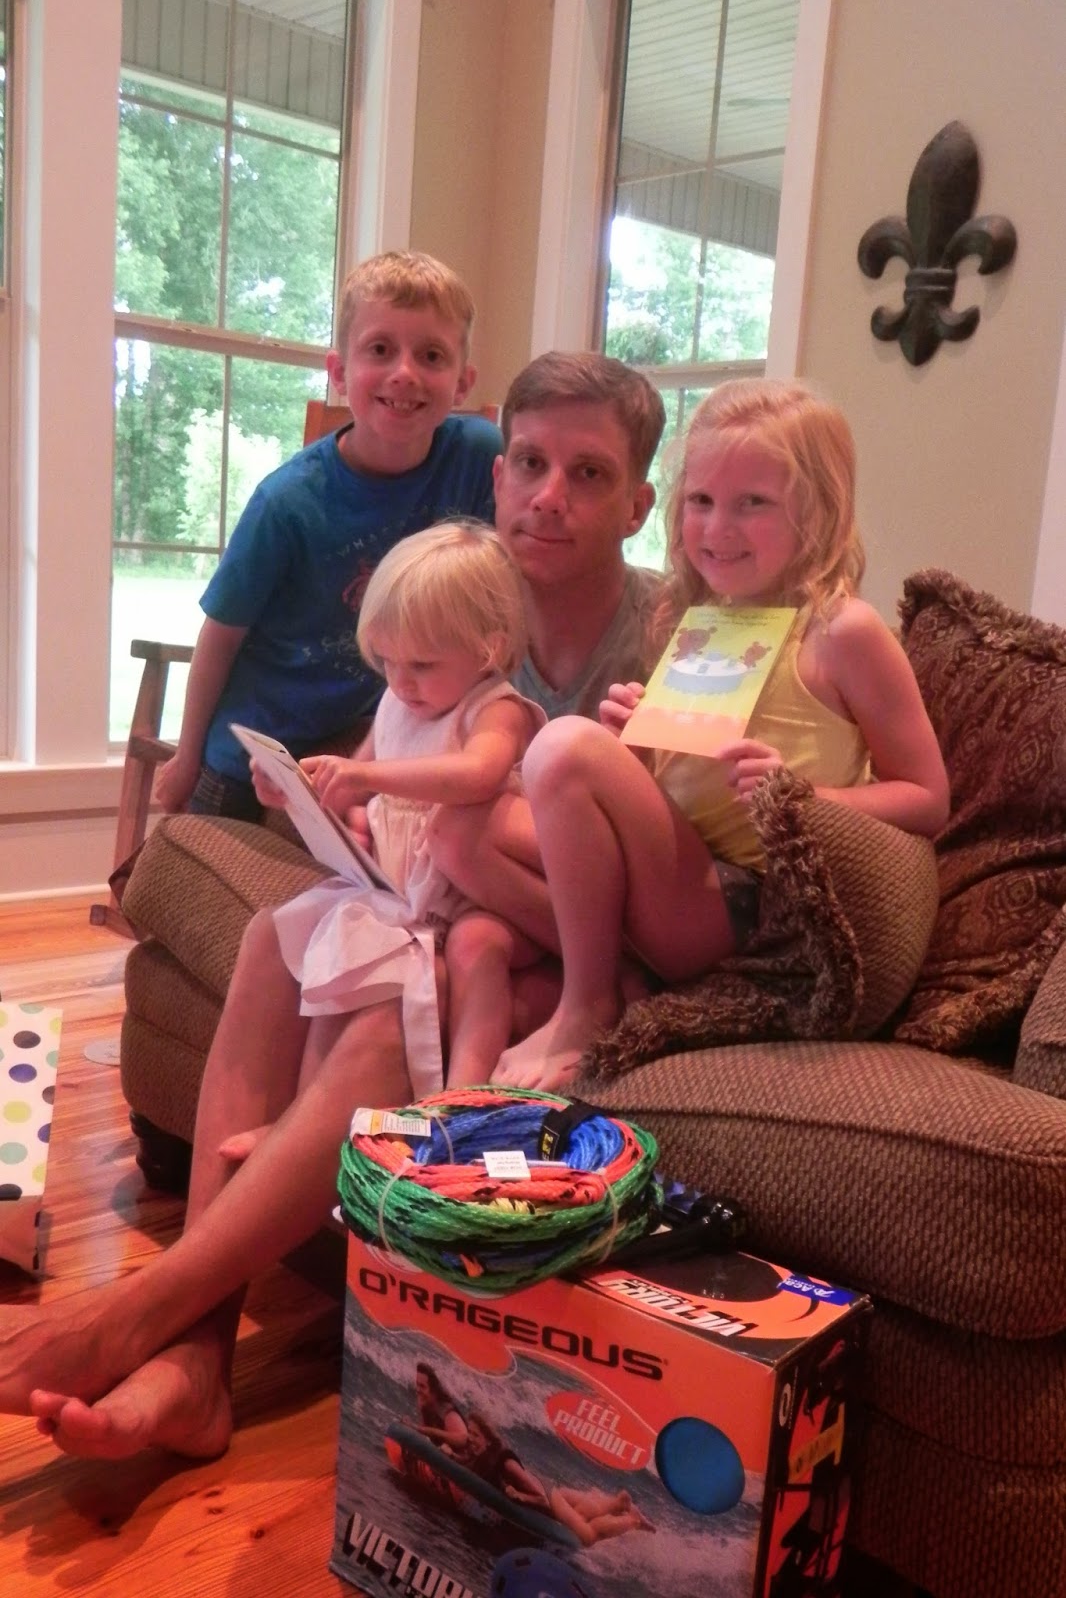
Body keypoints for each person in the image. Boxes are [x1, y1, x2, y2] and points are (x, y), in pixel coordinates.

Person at [0, 351, 665, 1463]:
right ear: (496, 474)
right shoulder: (456, 598)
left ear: (638, 503)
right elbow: (399, 748)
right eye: (530, 464)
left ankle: (143, 1315)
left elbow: (658, 867)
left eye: (589, 474)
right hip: (446, 893)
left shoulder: (662, 635)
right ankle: (195, 1355)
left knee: (395, 987)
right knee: (280, 933)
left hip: (552, 937)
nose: (550, 495)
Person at [484, 378, 950, 1090]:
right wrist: (637, 748)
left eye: (752, 503)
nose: (716, 528)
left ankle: (587, 1003)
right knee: (468, 824)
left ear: (818, 510)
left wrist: (806, 798)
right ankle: (615, 976)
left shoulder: (843, 633)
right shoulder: (697, 620)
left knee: (562, 747)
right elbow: (685, 791)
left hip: (756, 908)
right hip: (681, 879)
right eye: (701, 500)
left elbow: (928, 797)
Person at [154, 250, 501, 822]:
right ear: (339, 373)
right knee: (204, 855)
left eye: (431, 355)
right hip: (256, 746)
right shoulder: (287, 502)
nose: (405, 372)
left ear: (462, 383)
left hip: (372, 729)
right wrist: (186, 757)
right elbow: (220, 635)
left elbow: (505, 586)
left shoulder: (479, 456)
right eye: (380, 349)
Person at [250, 519, 545, 1100]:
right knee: (336, 960)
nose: (401, 682)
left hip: (483, 902)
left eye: (423, 665)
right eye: (387, 660)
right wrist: (295, 790)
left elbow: (478, 774)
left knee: (477, 946)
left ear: (488, 648)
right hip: (404, 898)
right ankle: (300, 1112)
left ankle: (460, 1102)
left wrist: (364, 774)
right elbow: (349, 791)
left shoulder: (496, 709)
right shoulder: (396, 703)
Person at [460, 1410, 550, 1511]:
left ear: (488, 1441)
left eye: (476, 1435)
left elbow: (543, 1500)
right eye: (469, 1432)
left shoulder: (506, 1463)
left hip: (549, 1500)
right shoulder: (479, 1455)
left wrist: (519, 1495)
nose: (470, 1438)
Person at [413, 1361, 467, 1453]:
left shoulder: (447, 1412)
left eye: (422, 1386)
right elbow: (424, 1432)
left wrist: (432, 1432)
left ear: (434, 1390)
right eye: (417, 1384)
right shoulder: (424, 1404)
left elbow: (463, 1439)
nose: (418, 1390)